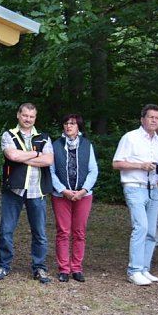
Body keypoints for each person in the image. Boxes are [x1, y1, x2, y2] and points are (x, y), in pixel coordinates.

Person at [0, 103, 54, 284]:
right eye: (25, 115)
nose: (28, 119)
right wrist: (36, 155)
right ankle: (3, 265)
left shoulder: (43, 137)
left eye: (31, 116)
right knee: (6, 230)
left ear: (35, 118)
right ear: (18, 115)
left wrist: (25, 156)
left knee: (40, 232)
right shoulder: (8, 135)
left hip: (37, 190)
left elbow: (49, 160)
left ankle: (39, 267)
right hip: (14, 190)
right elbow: (12, 156)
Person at [112, 104, 158, 286]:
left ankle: (144, 268)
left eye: (157, 118)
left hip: (154, 187)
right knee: (141, 227)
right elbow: (116, 163)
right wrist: (140, 166)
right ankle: (134, 270)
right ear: (142, 119)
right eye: (150, 117)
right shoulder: (130, 138)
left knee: (151, 230)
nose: (154, 121)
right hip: (134, 186)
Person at [49, 114, 98, 283]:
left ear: (79, 126)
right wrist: (63, 190)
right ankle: (64, 268)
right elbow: (51, 171)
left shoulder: (87, 145)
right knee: (63, 232)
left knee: (79, 232)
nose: (69, 126)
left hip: (83, 195)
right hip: (61, 195)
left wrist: (84, 190)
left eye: (73, 123)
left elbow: (93, 170)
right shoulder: (55, 145)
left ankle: (76, 268)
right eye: (66, 123)